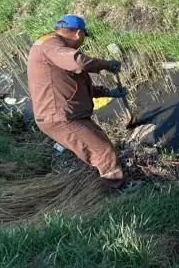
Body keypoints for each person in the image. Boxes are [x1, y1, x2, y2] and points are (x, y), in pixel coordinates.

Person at [27, 15, 127, 187]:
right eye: (83, 39)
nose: (82, 43)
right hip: (61, 118)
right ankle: (120, 192)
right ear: (79, 34)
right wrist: (105, 64)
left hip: (64, 115)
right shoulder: (51, 46)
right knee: (104, 153)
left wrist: (108, 92)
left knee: (101, 145)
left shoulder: (52, 49)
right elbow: (79, 62)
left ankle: (112, 184)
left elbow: (73, 86)